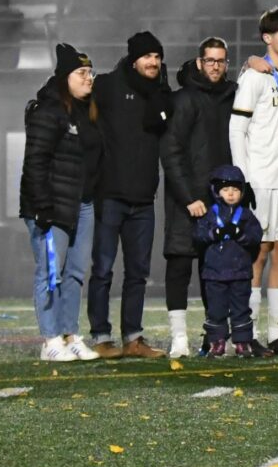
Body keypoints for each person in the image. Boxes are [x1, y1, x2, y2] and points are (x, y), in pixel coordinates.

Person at [88, 29, 173, 359]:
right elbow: (79, 96)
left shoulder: (161, 93)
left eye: (156, 56)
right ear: (133, 58)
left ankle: (133, 338)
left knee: (138, 274)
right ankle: (100, 336)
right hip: (110, 196)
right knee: (103, 270)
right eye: (147, 56)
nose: (153, 62)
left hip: (143, 199)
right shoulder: (109, 85)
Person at [230, 8, 278, 354]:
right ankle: (245, 334)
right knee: (256, 255)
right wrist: (242, 180)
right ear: (267, 37)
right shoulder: (253, 78)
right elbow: (237, 129)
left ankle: (276, 334)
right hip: (259, 180)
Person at [21, 43, 104, 362]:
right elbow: (35, 162)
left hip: (82, 205)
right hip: (52, 208)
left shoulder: (88, 111)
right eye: (82, 73)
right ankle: (50, 338)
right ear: (64, 77)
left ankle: (70, 334)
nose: (89, 78)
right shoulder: (48, 110)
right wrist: (41, 207)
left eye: (90, 72)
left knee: (75, 273)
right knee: (51, 273)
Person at [158, 38, 236, 358]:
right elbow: (171, 151)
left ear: (226, 63)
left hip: (221, 202)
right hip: (187, 201)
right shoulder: (184, 100)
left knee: (215, 272)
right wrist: (189, 196)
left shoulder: (234, 96)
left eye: (220, 60)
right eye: (210, 60)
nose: (215, 65)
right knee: (179, 266)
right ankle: (179, 338)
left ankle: (214, 336)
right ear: (200, 62)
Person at [193, 165, 267, 358]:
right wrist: (213, 233)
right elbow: (199, 235)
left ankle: (242, 342)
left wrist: (241, 234)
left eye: (235, 190)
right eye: (226, 190)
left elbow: (256, 235)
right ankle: (216, 342)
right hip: (214, 273)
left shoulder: (245, 215)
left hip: (240, 272)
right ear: (217, 192)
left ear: (242, 191)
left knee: (241, 309)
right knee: (216, 310)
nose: (231, 194)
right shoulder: (210, 214)